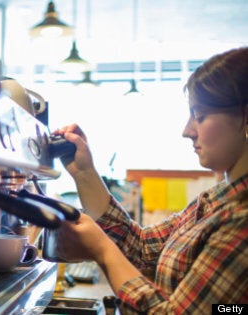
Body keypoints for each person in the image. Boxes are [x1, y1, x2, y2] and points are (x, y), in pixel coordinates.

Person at [51, 46, 248, 314]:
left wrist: (103, 251)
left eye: (200, 115)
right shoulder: (214, 201)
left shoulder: (241, 218)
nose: (187, 131)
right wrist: (84, 172)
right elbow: (141, 247)